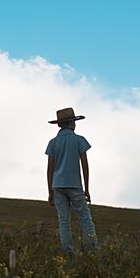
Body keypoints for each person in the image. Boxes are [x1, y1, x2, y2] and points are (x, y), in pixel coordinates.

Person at [45, 107, 98, 253]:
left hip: (57, 186)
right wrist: (86, 189)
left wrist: (50, 191)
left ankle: (68, 252)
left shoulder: (53, 143)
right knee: (85, 218)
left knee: (63, 221)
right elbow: (85, 166)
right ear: (72, 123)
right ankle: (92, 250)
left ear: (60, 124)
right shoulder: (79, 140)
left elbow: (50, 169)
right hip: (74, 185)